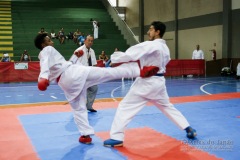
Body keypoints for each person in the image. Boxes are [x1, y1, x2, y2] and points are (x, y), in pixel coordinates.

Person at [34, 33, 159, 144]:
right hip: (74, 74)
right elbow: (45, 66)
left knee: (78, 109)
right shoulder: (47, 50)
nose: (52, 42)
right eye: (49, 40)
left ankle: (85, 135)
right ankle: (139, 71)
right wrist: (42, 78)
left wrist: (45, 79)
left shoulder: (49, 57)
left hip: (66, 83)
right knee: (107, 73)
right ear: (43, 43)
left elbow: (54, 70)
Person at [103, 21, 197, 147]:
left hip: (146, 83)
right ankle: (188, 128)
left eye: (151, 29)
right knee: (167, 106)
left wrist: (114, 59)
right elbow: (165, 61)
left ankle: (116, 137)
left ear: (158, 32)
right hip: (159, 82)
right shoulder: (165, 48)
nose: (148, 32)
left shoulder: (152, 45)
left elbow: (132, 53)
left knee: (125, 107)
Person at [72, 35, 98, 112]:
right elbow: (73, 63)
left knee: (94, 88)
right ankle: (77, 108)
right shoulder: (79, 50)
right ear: (85, 41)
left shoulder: (92, 51)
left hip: (90, 74)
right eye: (89, 40)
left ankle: (89, 106)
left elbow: (94, 64)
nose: (90, 42)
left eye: (92, 41)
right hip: (80, 75)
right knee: (80, 93)